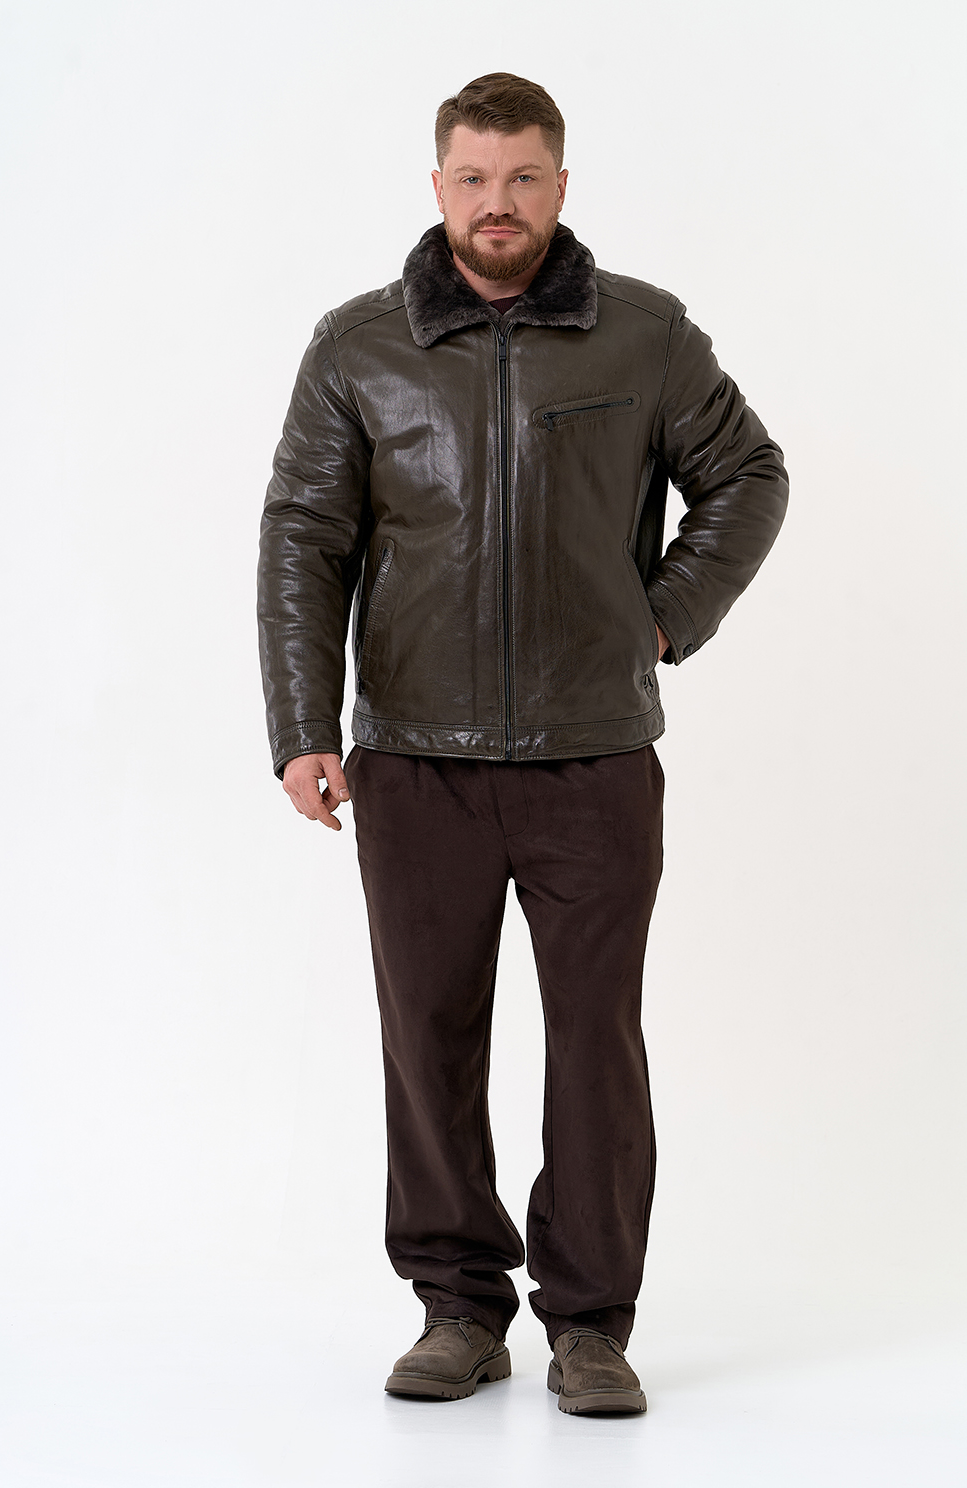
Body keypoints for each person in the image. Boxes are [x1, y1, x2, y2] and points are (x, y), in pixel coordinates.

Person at [257, 72, 788, 1416]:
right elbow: (305, 539)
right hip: (414, 757)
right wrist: (303, 727)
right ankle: (457, 1309)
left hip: (593, 755)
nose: (499, 204)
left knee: (595, 1041)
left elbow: (748, 475)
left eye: (524, 178)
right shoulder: (358, 347)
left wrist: (660, 620)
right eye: (475, 179)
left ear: (561, 184)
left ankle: (591, 1324)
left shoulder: (644, 336)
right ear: (438, 186)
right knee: (427, 1036)